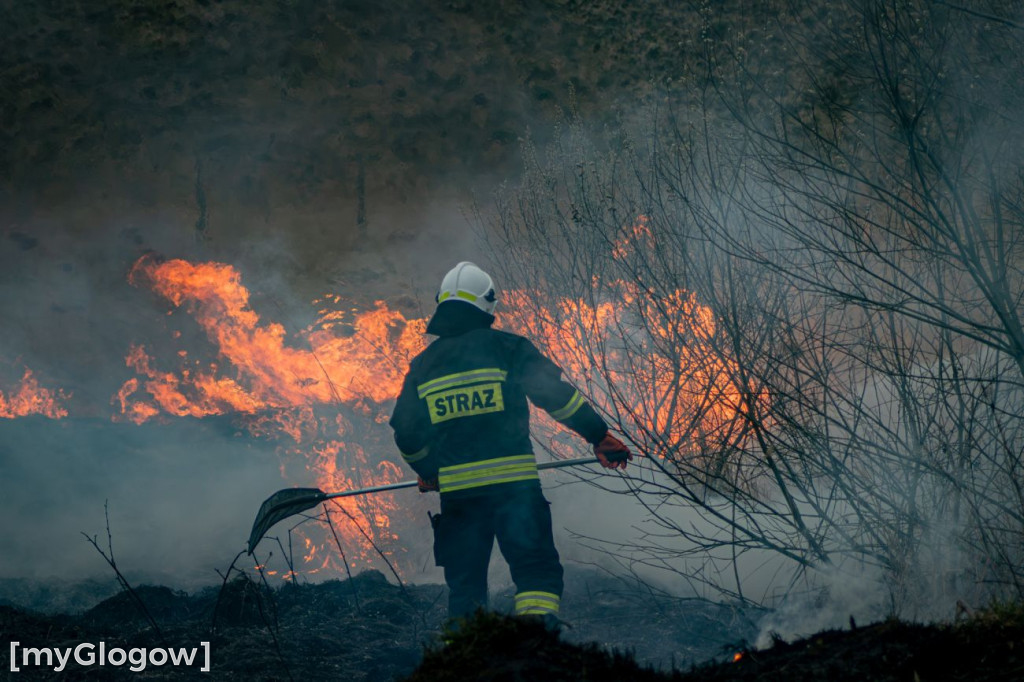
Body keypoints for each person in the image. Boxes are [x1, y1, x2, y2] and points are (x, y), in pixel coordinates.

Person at [389, 261, 633, 622]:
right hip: (514, 491)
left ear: (442, 304)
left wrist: (429, 470)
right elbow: (556, 397)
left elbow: (406, 434)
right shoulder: (509, 349)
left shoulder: (423, 366)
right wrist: (598, 435)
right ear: (487, 304)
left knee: (466, 589)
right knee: (535, 573)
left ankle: (470, 662)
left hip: (460, 498)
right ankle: (535, 648)